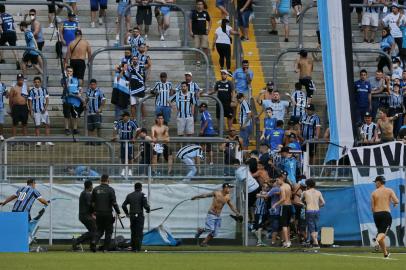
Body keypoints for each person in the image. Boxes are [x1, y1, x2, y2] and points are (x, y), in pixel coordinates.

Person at [91, 174, 121, 252]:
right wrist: (118, 212)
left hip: (98, 214)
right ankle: (105, 248)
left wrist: (93, 212)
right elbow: (114, 203)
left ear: (100, 180)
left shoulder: (95, 189)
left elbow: (92, 203)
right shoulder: (111, 190)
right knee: (109, 231)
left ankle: (94, 241)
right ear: (108, 180)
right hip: (107, 213)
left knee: (99, 230)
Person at [371, 175, 399, 258]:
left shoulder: (374, 192)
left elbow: (372, 208)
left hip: (376, 215)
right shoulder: (389, 190)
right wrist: (394, 203)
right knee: (382, 234)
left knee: (380, 234)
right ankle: (376, 240)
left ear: (379, 182)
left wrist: (376, 213)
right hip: (385, 214)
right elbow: (396, 201)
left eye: (376, 182)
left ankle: (385, 253)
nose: (375, 184)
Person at [122, 182, 151, 252]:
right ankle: (137, 249)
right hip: (139, 216)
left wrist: (127, 214)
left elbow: (123, 205)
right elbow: (145, 206)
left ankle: (133, 247)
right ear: (141, 188)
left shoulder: (129, 195)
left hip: (132, 216)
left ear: (134, 188)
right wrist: (148, 209)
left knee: (133, 232)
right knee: (139, 233)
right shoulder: (143, 195)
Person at [28, 77, 54, 147]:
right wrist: (31, 111)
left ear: (40, 82)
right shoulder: (31, 91)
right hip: (36, 111)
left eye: (38, 82)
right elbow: (30, 102)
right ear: (34, 82)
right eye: (35, 82)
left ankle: (47, 140)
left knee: (47, 125)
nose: (37, 83)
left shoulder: (44, 90)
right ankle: (38, 141)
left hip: (44, 111)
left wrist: (45, 108)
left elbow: (47, 99)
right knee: (37, 126)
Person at [72, 180, 97, 251]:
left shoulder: (83, 193)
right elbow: (90, 205)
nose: (92, 187)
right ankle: (77, 241)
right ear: (90, 186)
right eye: (92, 186)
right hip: (86, 216)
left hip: (83, 216)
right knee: (95, 230)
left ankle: (92, 246)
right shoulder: (87, 194)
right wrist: (95, 212)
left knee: (92, 230)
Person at [113, 111, 139, 176]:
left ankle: (130, 170)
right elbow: (115, 129)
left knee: (130, 157)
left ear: (127, 117)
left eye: (123, 116)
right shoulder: (119, 123)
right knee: (122, 157)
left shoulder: (132, 123)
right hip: (122, 142)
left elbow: (138, 130)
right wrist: (115, 136)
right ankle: (123, 170)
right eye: (122, 116)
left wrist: (134, 138)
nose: (122, 117)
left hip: (130, 142)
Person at [301, 178, 325, 248]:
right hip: (317, 210)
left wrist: (305, 204)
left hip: (309, 211)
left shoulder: (305, 192)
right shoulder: (318, 192)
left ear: (307, 185)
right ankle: (315, 242)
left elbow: (301, 200)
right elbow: (323, 203)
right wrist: (318, 206)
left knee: (311, 227)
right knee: (315, 226)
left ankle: (316, 243)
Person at [272, 171, 292, 248]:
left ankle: (287, 242)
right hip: (289, 206)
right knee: (287, 225)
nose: (276, 182)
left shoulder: (282, 187)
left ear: (281, 179)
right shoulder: (288, 186)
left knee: (284, 225)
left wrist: (275, 204)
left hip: (284, 207)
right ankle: (288, 241)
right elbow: (289, 196)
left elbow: (283, 198)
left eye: (277, 180)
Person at [62, 66, 83, 135]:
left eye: (70, 71)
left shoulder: (76, 79)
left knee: (75, 115)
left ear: (72, 72)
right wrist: (68, 79)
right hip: (67, 100)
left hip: (75, 100)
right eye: (68, 71)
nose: (69, 72)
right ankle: (66, 129)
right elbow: (65, 88)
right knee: (66, 115)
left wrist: (80, 92)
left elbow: (79, 88)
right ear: (66, 72)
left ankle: (75, 129)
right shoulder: (63, 79)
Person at [189, 0, 211, 65]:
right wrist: (190, 31)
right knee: (197, 47)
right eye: (198, 4)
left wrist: (209, 29)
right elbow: (190, 22)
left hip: (204, 33)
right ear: (196, 5)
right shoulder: (193, 13)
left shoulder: (205, 13)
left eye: (201, 4)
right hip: (196, 33)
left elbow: (210, 21)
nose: (199, 5)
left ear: (203, 5)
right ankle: (198, 61)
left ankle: (206, 60)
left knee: (205, 47)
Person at [125, 55, 146, 120]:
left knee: (142, 104)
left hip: (140, 88)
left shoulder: (141, 67)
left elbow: (149, 65)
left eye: (136, 59)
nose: (135, 60)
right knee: (132, 104)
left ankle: (143, 118)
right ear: (132, 60)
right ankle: (133, 119)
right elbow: (128, 75)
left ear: (138, 60)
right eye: (134, 59)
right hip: (133, 87)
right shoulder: (129, 67)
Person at [0, 4, 19, 69]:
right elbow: (13, 26)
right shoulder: (10, 16)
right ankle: (17, 61)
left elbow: (0, 26)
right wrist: (16, 35)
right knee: (14, 48)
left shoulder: (0, 16)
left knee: (1, 45)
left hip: (5, 33)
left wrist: (2, 33)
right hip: (12, 33)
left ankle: (1, 59)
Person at [0, 73, 8, 141]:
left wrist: (7, 94)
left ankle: (1, 135)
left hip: (1, 106)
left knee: (1, 122)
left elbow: (6, 94)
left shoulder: (3, 85)